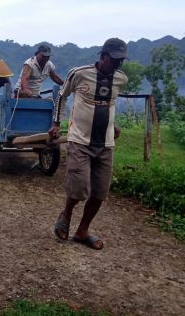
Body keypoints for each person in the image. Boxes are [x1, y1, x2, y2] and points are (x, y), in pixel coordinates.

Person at [49, 38, 129, 250]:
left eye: (120, 62)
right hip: (80, 140)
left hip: (106, 144)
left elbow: (110, 104)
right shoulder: (79, 73)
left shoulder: (121, 79)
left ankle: (82, 230)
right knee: (79, 188)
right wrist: (57, 123)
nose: (117, 66)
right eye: (114, 60)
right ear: (103, 57)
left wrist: (114, 125)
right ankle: (66, 214)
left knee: (100, 192)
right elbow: (61, 96)